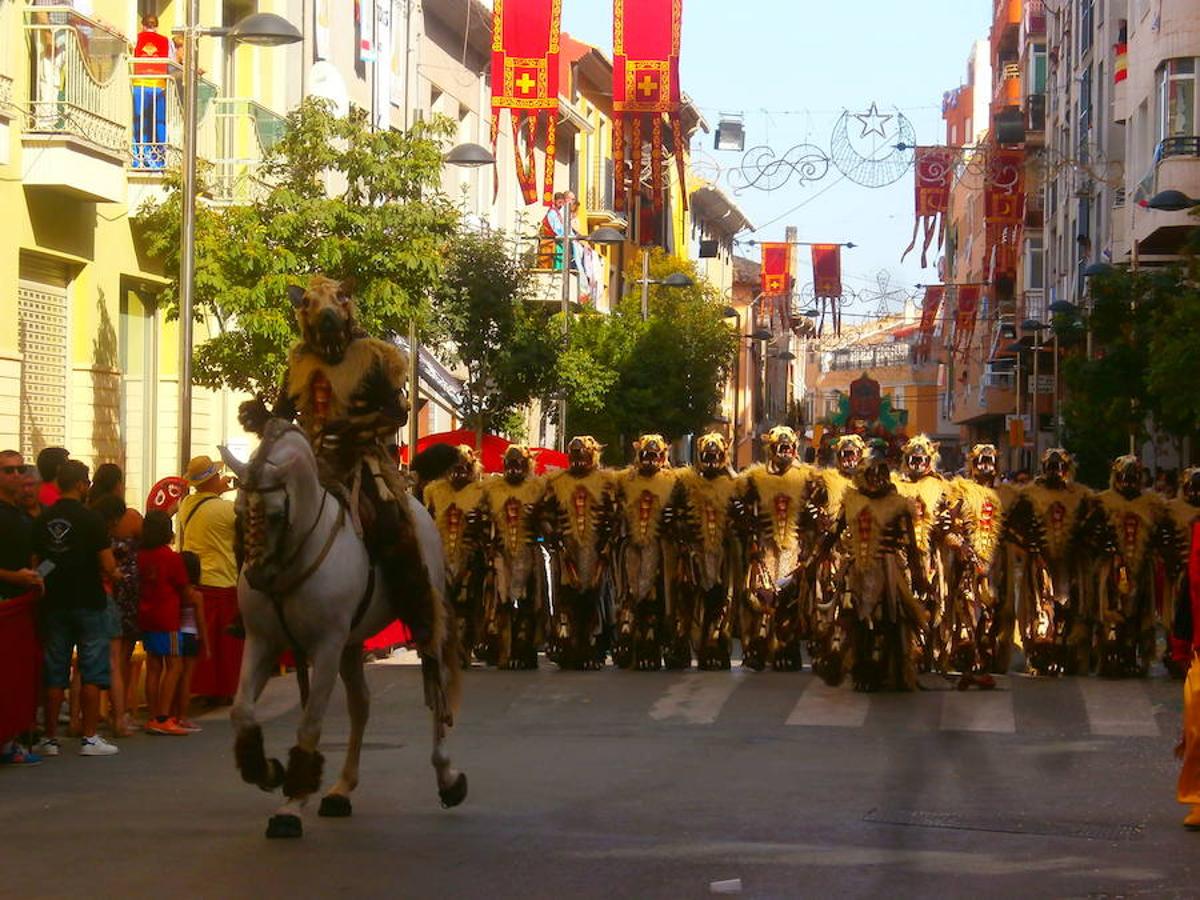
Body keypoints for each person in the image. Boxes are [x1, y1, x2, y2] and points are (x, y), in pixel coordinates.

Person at [31, 460, 120, 757]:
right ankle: (90, 737)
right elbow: (107, 564)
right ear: (82, 485)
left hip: (54, 602)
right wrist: (115, 573)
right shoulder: (92, 519)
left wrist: (52, 573)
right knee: (92, 669)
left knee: (55, 671)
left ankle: (50, 738)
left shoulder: (44, 519)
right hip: (89, 601)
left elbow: (37, 564)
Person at [177, 455, 241, 703]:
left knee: (202, 639)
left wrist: (217, 490)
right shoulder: (226, 509)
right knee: (225, 642)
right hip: (223, 577)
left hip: (197, 577)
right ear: (213, 478)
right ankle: (224, 689)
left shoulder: (186, 505)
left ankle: (202, 689)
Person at [0, 451, 43, 766]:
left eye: (20, 469)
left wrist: (38, 576)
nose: (15, 476)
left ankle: (10, 738)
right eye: (8, 470)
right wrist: (13, 576)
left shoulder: (23, 516)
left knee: (16, 676)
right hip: (4, 604)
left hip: (21, 607)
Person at [138, 510, 189, 736]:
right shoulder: (170, 557)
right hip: (168, 616)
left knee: (154, 666)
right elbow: (183, 586)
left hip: (147, 614)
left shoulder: (141, 555)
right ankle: (164, 716)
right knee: (174, 664)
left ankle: (152, 715)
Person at [170, 551, 209, 732]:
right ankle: (183, 716)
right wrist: (207, 645)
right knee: (186, 678)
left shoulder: (175, 593)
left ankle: (170, 713)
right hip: (192, 635)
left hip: (176, 634)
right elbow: (201, 621)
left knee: (173, 675)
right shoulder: (196, 595)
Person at [131, 14, 172, 169]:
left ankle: (140, 157)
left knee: (140, 122)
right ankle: (159, 158)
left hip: (140, 84)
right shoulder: (165, 41)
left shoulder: (136, 39)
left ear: (142, 25)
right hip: (158, 86)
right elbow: (172, 63)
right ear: (157, 25)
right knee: (158, 123)